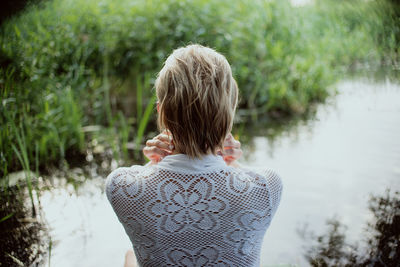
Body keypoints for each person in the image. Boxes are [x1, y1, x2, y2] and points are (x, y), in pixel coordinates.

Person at [105, 44, 283, 267]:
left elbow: (145, 185)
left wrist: (154, 161)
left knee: (130, 256)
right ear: (228, 113)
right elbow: (238, 183)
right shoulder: (267, 186)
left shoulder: (120, 187)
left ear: (162, 112)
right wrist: (231, 162)